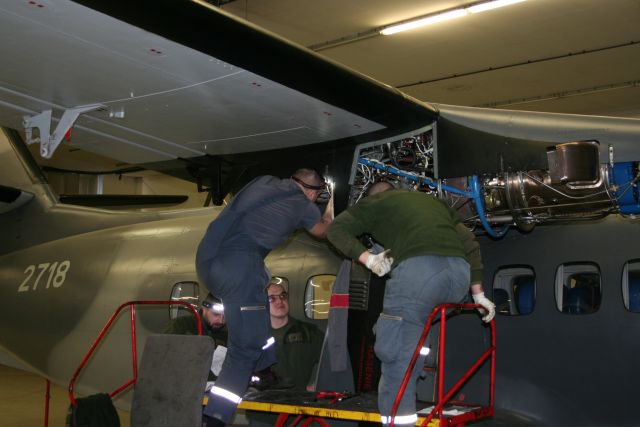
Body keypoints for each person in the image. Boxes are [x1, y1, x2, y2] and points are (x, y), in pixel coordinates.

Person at [326, 181, 495, 427]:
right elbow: (470, 243)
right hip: (459, 280)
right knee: (416, 328)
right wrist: (478, 294)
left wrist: (369, 259)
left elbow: (335, 230)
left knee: (395, 353)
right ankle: (415, 360)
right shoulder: (433, 202)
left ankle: (399, 420)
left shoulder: (377, 201)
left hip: (420, 275)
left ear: (373, 196)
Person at [195, 169, 333, 427]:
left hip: (207, 260)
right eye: (316, 195)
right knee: (243, 351)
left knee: (259, 318)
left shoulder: (263, 181)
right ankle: (214, 417)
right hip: (238, 267)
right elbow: (324, 231)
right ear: (312, 192)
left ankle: (266, 371)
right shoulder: (301, 203)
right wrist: (329, 210)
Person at [247, 279, 325, 426]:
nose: (279, 301)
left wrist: (317, 383)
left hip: (299, 413)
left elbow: (331, 363)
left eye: (283, 296)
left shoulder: (309, 333)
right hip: (263, 413)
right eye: (272, 299)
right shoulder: (253, 336)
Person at [163, 293, 228, 347]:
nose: (221, 321)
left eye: (226, 316)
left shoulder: (227, 335)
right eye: (216, 314)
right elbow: (163, 350)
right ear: (204, 308)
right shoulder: (181, 325)